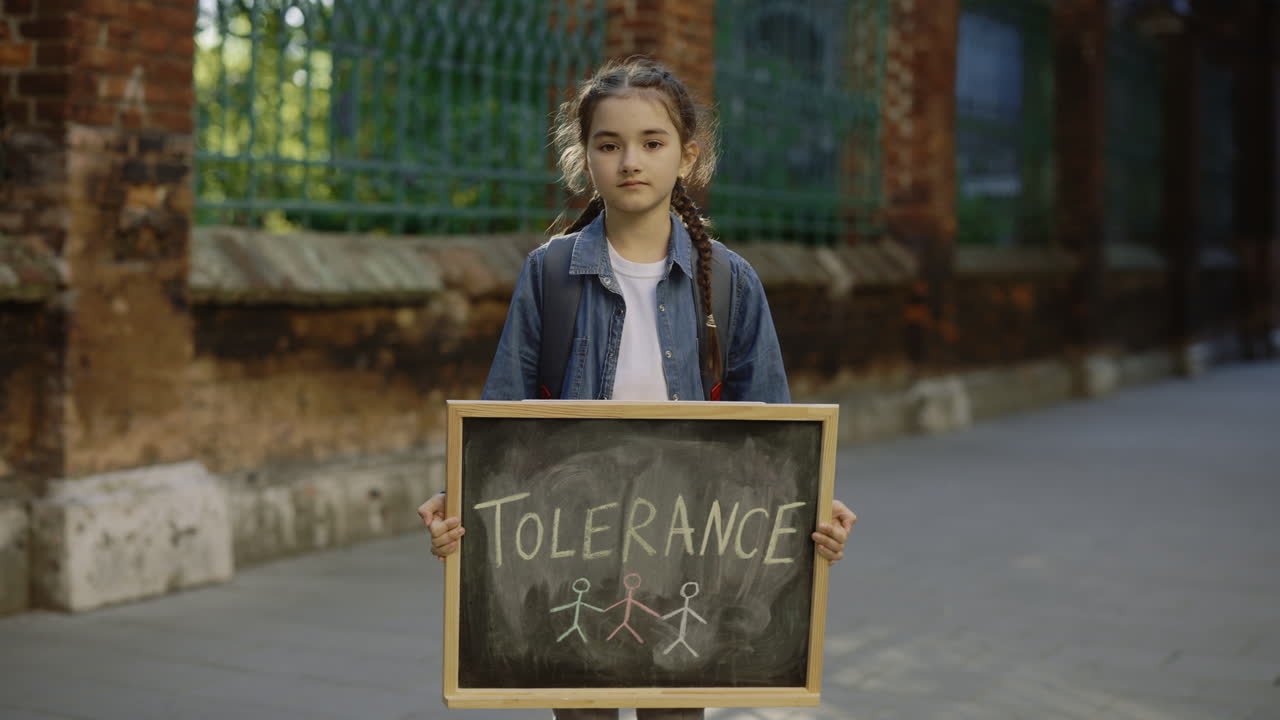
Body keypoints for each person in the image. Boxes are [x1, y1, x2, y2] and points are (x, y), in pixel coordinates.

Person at [418, 57, 856, 720]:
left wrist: (813, 510)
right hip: (574, 557)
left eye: (652, 143)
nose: (631, 160)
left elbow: (773, 444)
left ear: (687, 157)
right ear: (584, 159)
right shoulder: (550, 275)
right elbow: (498, 428)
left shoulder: (733, 284)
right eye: (608, 144)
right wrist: (460, 504)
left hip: (691, 558)